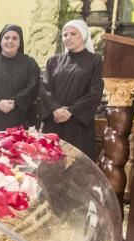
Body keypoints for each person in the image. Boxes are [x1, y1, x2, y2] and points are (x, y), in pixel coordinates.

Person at [38, 19, 103, 160]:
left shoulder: (95, 61)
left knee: (77, 168)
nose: (68, 38)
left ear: (84, 36)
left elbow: (94, 92)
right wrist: (55, 109)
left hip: (78, 123)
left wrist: (70, 111)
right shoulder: (53, 61)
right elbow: (45, 89)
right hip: (54, 121)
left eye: (73, 34)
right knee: (51, 166)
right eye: (65, 35)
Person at [0, 24, 40, 133]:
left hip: (21, 117)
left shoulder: (29, 63)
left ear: (20, 42)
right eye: (6, 37)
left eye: (14, 38)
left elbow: (33, 85)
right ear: (1, 41)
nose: (10, 41)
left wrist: (16, 101)